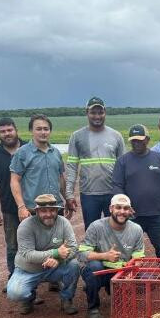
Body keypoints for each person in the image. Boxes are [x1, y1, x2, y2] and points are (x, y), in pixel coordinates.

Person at [5, 194, 81, 315]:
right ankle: (28, 298)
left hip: (54, 267)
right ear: (37, 211)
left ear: (57, 210)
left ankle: (67, 298)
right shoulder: (25, 226)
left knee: (74, 265)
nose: (48, 214)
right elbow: (28, 254)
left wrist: (58, 260)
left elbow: (73, 248)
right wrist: (55, 253)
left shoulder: (64, 223)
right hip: (28, 269)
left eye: (52, 210)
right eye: (43, 211)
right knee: (15, 293)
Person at [79, 194, 145, 318]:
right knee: (94, 267)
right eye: (118, 207)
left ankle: (113, 287)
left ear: (130, 211)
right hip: (100, 268)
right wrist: (104, 256)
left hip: (121, 270)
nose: (122, 211)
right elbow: (81, 254)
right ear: (110, 209)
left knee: (142, 282)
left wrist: (133, 271)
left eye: (126, 208)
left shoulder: (136, 229)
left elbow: (138, 257)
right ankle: (93, 308)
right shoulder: (96, 226)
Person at [112, 124, 160, 258]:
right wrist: (125, 207)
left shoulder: (159, 158)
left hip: (157, 215)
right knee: (129, 250)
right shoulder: (123, 161)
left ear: (147, 139)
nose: (136, 143)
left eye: (139, 140)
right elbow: (117, 186)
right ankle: (133, 277)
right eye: (133, 140)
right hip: (132, 215)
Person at [66, 96, 126, 229]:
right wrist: (69, 194)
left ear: (105, 113)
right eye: (93, 112)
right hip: (89, 194)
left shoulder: (116, 136)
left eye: (100, 112)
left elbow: (124, 168)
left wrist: (123, 193)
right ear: (86, 113)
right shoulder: (77, 137)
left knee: (115, 230)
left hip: (113, 193)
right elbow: (71, 167)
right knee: (92, 231)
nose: (97, 116)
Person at [0, 117, 25, 289]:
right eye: (3, 131)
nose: (7, 134)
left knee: (43, 243)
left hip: (33, 207)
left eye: (10, 130)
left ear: (16, 130)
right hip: (9, 209)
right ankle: (14, 278)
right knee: (13, 246)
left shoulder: (29, 149)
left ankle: (51, 278)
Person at [10, 114, 68, 219]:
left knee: (59, 236)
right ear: (31, 131)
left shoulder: (56, 153)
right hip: (33, 211)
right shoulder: (22, 153)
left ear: (50, 131)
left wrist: (67, 199)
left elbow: (60, 179)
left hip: (56, 209)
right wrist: (21, 207)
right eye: (38, 129)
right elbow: (14, 180)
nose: (43, 132)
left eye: (46, 129)